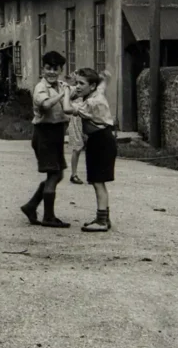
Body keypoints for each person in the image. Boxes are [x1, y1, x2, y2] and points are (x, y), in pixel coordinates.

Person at [20, 51, 74, 228]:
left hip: (57, 133)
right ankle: (48, 217)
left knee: (58, 174)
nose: (51, 72)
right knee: (53, 174)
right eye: (48, 68)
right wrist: (63, 94)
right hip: (44, 134)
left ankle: (31, 206)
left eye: (55, 69)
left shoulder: (61, 85)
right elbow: (46, 104)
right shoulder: (41, 88)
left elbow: (75, 93)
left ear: (61, 69)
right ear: (42, 68)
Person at [68, 69, 117, 232]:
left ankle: (102, 221)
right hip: (100, 139)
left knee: (98, 181)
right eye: (76, 83)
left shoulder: (91, 103)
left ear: (92, 85)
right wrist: (104, 78)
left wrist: (65, 94)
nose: (78, 86)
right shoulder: (96, 92)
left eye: (82, 83)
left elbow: (68, 109)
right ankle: (103, 217)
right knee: (97, 180)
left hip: (101, 140)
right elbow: (103, 84)